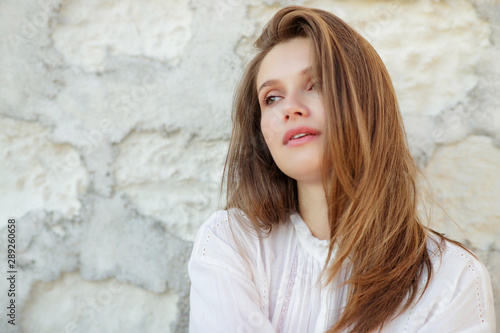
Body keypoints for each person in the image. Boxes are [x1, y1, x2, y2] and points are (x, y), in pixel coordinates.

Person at [188, 5, 496, 333]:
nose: (290, 108)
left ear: (365, 103)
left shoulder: (453, 279)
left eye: (316, 84)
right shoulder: (230, 243)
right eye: (272, 98)